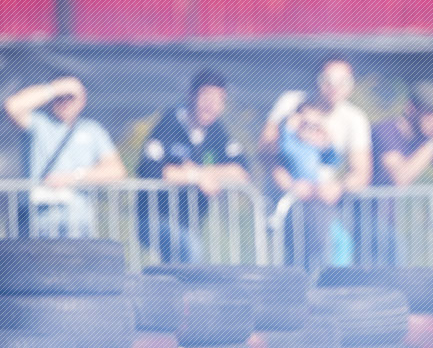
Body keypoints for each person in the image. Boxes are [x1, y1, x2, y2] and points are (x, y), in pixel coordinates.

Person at [135, 69, 251, 261]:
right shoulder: (170, 123)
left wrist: (201, 173)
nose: (212, 105)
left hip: (190, 224)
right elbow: (151, 171)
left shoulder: (217, 131)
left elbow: (241, 171)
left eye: (219, 100)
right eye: (207, 96)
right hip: (155, 219)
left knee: (178, 265)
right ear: (192, 95)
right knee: (191, 251)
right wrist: (195, 177)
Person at [3, 73, 126, 237]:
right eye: (60, 98)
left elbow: (116, 170)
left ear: (82, 100)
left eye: (70, 97)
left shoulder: (93, 130)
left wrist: (74, 177)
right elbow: (13, 106)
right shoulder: (38, 124)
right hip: (37, 225)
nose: (65, 102)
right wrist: (55, 88)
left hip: (78, 225)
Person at [259, 56, 373, 194]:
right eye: (327, 79)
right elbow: (265, 147)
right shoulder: (290, 102)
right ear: (317, 80)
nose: (334, 86)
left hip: (323, 203)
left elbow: (361, 173)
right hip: (279, 199)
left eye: (343, 81)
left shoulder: (356, 118)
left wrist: (336, 188)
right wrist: (286, 183)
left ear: (352, 84)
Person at [271, 99, 355, 268]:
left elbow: (334, 160)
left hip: (316, 199)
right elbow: (285, 144)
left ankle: (330, 276)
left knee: (331, 242)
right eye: (306, 123)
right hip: (300, 203)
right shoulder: (292, 142)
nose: (310, 128)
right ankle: (312, 277)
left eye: (314, 125)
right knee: (305, 249)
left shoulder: (313, 145)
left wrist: (326, 140)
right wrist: (292, 124)